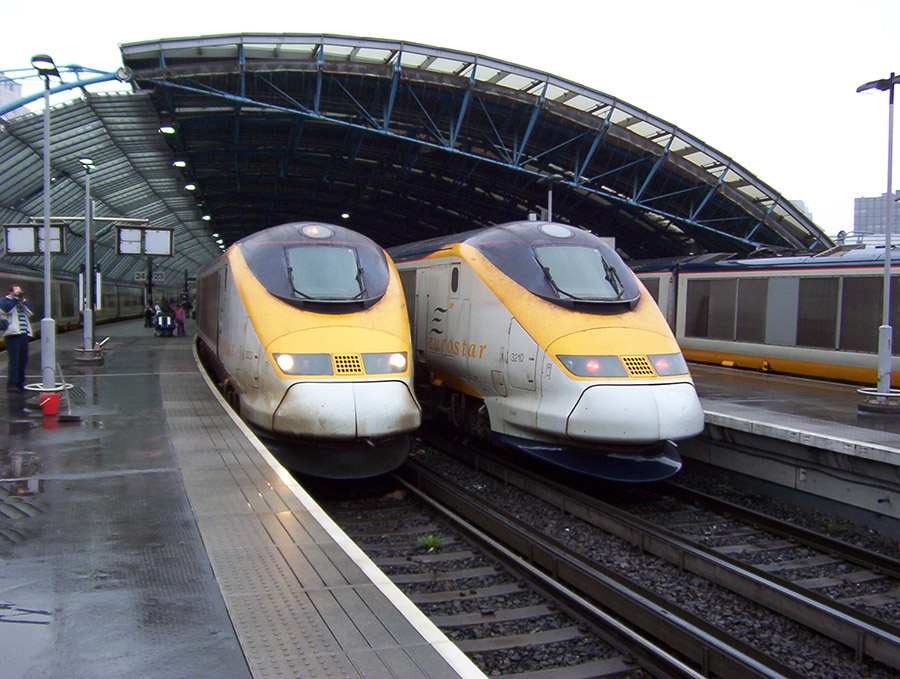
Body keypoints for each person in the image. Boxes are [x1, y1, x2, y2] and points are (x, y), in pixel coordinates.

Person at [1, 285, 34, 392]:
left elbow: (30, 312)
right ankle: (11, 384)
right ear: (10, 292)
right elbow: (6, 310)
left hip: (23, 334)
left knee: (23, 360)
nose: (19, 293)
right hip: (12, 335)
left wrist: (23, 301)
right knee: (14, 360)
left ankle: (20, 383)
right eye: (16, 291)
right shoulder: (4, 301)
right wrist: (15, 299)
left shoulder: (20, 302)